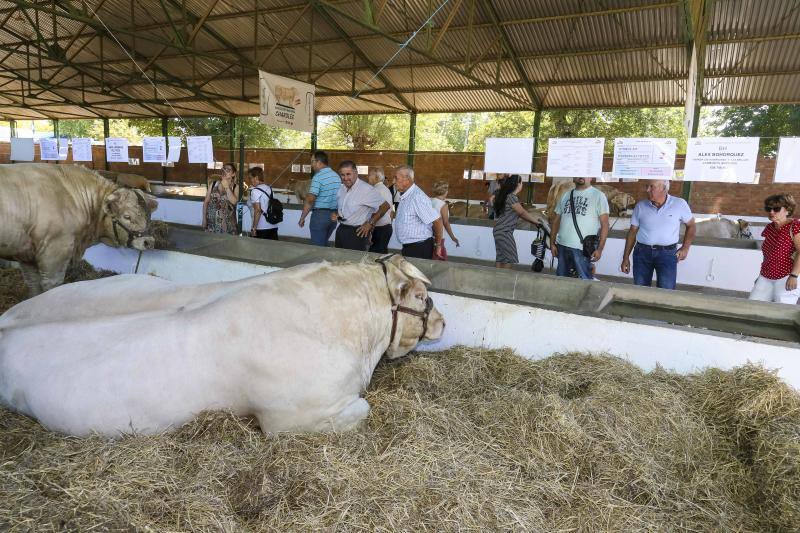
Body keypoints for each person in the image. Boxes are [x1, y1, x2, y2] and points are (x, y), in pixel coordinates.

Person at [620, 179, 695, 290]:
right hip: (642, 253)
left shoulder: (679, 204)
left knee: (666, 290)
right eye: (647, 186)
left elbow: (691, 226)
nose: (647, 189)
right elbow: (632, 232)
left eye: (651, 186)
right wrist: (625, 257)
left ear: (663, 188)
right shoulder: (640, 206)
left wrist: (685, 248)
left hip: (668, 254)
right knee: (640, 289)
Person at [550, 177, 609, 280]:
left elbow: (605, 224)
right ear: (573, 177)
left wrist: (600, 248)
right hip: (562, 246)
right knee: (561, 280)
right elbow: (556, 221)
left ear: (591, 177)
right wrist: (552, 243)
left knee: (583, 281)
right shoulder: (565, 195)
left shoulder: (598, 196)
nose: (581, 175)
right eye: (579, 172)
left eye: (586, 173)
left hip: (582, 249)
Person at [748, 194, 800, 304]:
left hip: (786, 276)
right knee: (752, 307)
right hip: (766, 276)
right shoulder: (769, 228)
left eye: (776, 209)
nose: (771, 212)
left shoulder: (795, 226)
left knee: (782, 312)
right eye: (768, 209)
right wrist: (760, 276)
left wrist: (794, 275)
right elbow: (768, 255)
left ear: (787, 210)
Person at [333, 161, 391, 251]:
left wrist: (370, 223)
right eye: (342, 175)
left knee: (355, 263)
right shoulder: (341, 188)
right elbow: (344, 208)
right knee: (339, 261)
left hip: (357, 233)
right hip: (341, 229)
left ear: (356, 173)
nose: (345, 178)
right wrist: (337, 214)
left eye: (348, 174)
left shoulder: (366, 189)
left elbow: (385, 206)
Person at [492, 174, 545, 268]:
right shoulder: (512, 197)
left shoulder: (505, 196)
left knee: (501, 257)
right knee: (510, 258)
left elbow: (521, 213)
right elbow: (522, 213)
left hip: (499, 230)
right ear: (518, 184)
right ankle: (504, 279)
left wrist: (534, 221)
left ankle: (498, 280)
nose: (522, 185)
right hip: (505, 231)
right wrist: (536, 222)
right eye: (521, 183)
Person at [393, 165, 444, 259]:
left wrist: (438, 245)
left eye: (396, 178)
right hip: (411, 247)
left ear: (406, 179)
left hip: (419, 248)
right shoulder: (407, 195)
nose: (394, 182)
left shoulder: (417, 197)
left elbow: (437, 221)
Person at [298, 150, 341, 246]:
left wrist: (302, 218)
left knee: (317, 248)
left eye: (312, 161)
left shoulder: (318, 177)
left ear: (319, 162)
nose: (311, 164)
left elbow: (310, 200)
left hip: (320, 216)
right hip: (333, 216)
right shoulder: (336, 176)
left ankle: (319, 261)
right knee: (323, 244)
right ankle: (325, 260)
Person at [202, 162, 239, 235]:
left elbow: (234, 201)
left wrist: (227, 187)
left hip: (228, 224)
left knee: (227, 245)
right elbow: (206, 202)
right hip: (212, 222)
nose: (225, 171)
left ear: (233, 174)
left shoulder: (235, 187)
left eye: (228, 170)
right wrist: (204, 219)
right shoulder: (214, 184)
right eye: (224, 169)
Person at [366, 167, 395, 253]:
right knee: (381, 254)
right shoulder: (385, 189)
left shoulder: (376, 190)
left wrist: (370, 229)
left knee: (375, 256)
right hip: (385, 228)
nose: (368, 177)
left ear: (377, 177)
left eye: (370, 175)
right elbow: (392, 210)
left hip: (380, 229)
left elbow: (374, 211)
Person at [246, 166, 279, 240]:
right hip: (273, 226)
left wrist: (254, 228)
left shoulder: (255, 191)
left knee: (258, 250)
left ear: (256, 177)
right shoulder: (269, 188)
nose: (250, 180)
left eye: (250, 178)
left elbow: (258, 210)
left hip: (261, 227)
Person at [430, 180, 460, 261]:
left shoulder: (430, 201)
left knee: (433, 259)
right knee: (441, 260)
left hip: (429, 235)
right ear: (445, 191)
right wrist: (453, 237)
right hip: (439, 236)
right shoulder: (443, 205)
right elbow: (446, 223)